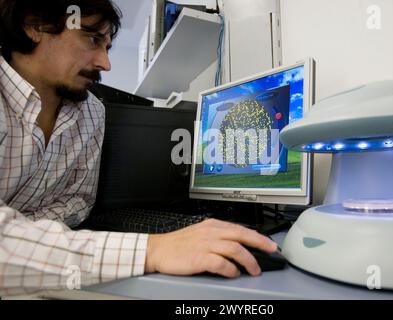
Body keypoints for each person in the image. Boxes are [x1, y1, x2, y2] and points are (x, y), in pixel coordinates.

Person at [0, 0, 277, 297]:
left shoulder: (92, 113)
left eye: (107, 47)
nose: (105, 64)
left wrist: (23, 235)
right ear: (34, 26)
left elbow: (77, 201)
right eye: (93, 39)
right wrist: (153, 250)